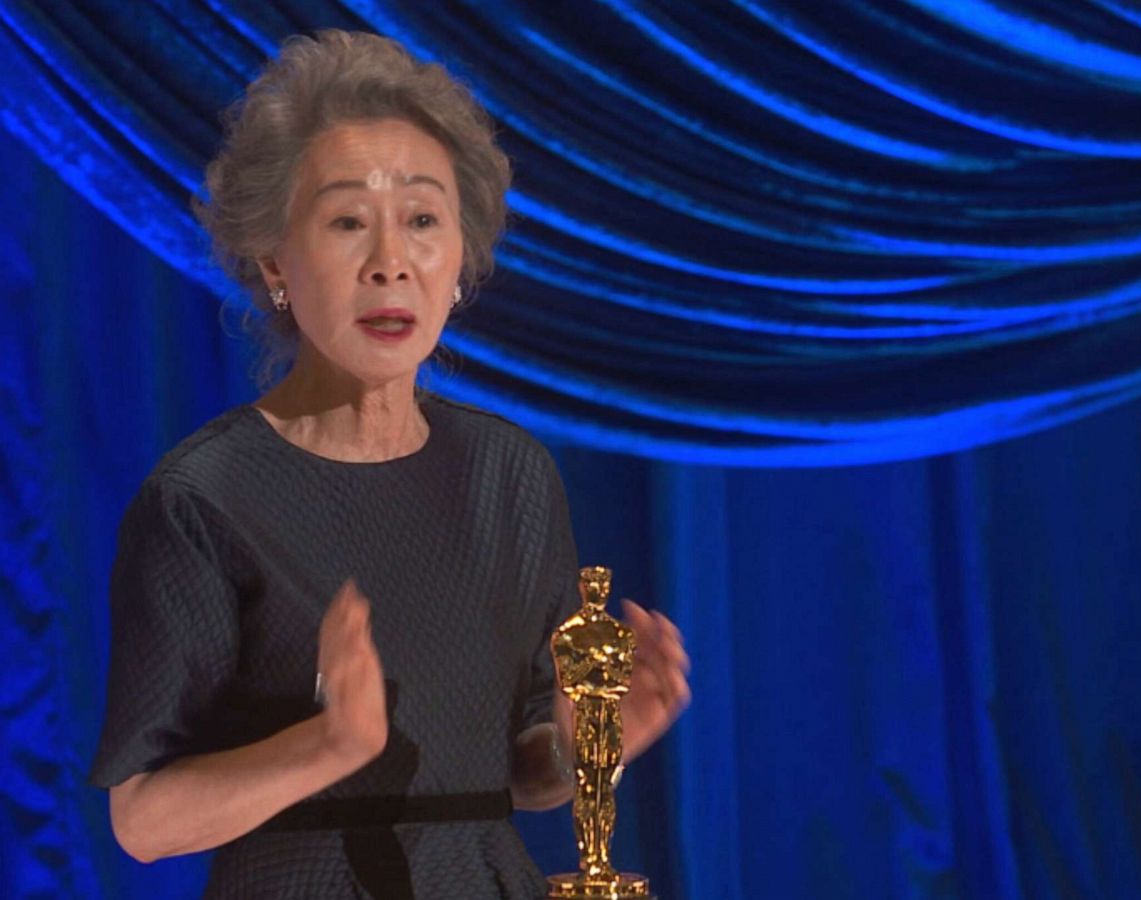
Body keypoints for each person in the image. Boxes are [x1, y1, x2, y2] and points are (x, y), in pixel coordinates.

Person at [89, 30, 691, 898]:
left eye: (421, 221)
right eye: (345, 223)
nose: (389, 265)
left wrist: (590, 744)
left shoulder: (509, 475)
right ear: (275, 264)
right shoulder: (203, 499)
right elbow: (143, 820)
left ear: (459, 265)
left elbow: (521, 774)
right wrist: (327, 744)